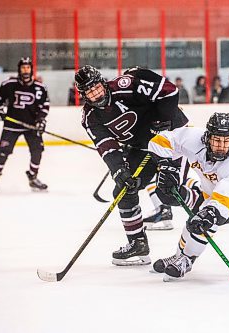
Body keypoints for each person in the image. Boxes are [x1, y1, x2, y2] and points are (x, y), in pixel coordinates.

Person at [75, 65, 189, 266]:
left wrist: (164, 119)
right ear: (84, 95)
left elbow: (169, 91)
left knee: (168, 191)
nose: (96, 93)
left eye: (97, 87)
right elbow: (106, 146)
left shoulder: (125, 87)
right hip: (142, 146)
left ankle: (203, 210)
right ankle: (138, 244)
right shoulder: (90, 117)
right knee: (123, 190)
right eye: (90, 91)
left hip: (171, 138)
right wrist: (119, 170)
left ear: (103, 82)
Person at [148, 113, 229, 280]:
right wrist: (167, 166)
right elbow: (161, 141)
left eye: (226, 141)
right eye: (217, 140)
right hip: (212, 189)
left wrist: (210, 212)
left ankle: (187, 260)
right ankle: (178, 256)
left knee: (206, 220)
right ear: (207, 137)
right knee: (195, 220)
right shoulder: (193, 138)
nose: (222, 146)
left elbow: (222, 202)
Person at [0, 57, 50, 193]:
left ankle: (33, 178)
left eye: (28, 67)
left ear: (31, 69)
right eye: (23, 68)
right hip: (11, 124)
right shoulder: (9, 84)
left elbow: (45, 106)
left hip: (31, 126)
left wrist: (41, 120)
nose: (25, 70)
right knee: (3, 152)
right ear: (19, 69)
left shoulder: (40, 88)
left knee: (37, 151)